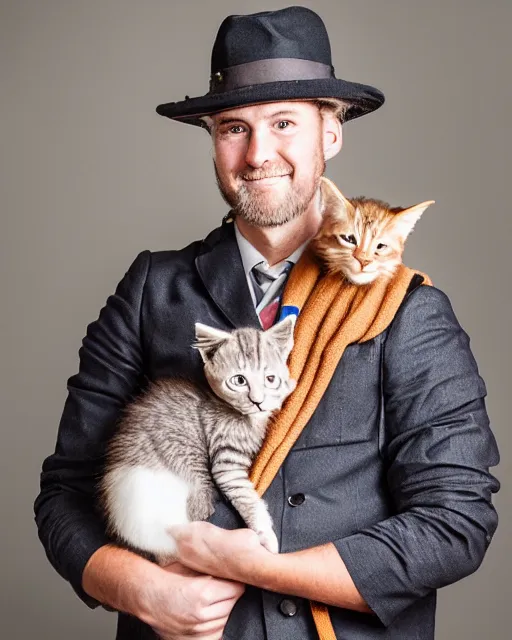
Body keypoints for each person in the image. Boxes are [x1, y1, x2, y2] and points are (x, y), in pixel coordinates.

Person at [34, 6, 500, 640]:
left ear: (330, 134)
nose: (258, 154)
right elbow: (66, 493)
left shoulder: (408, 309)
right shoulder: (152, 290)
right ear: (212, 138)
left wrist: (263, 568)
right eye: (233, 127)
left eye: (284, 123)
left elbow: (456, 522)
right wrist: (143, 590)